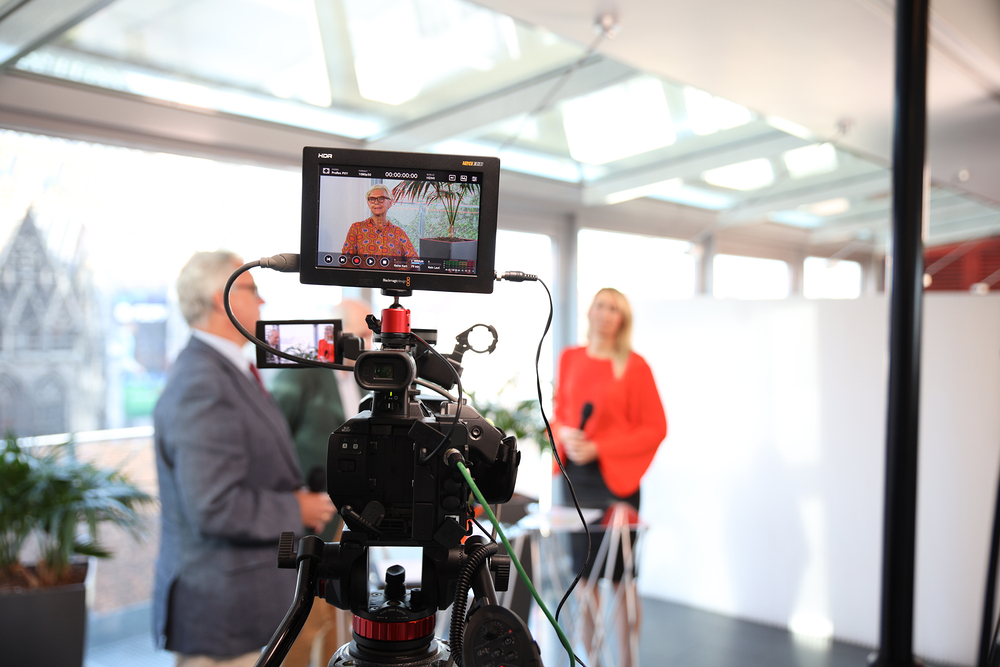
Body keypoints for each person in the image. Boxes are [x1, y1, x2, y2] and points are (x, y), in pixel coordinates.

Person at [153, 250, 335, 667]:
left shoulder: (228, 370)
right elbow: (214, 505)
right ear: (221, 300)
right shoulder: (202, 382)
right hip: (224, 617)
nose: (263, 301)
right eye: (253, 290)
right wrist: (297, 509)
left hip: (245, 604)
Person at [552, 287, 667, 667]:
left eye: (613, 309)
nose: (604, 314)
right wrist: (565, 434)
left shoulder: (635, 366)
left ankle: (628, 662)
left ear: (622, 319)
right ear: (590, 311)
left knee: (622, 579)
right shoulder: (570, 358)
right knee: (583, 578)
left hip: (617, 481)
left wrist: (600, 447)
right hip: (576, 481)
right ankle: (594, 660)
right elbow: (561, 412)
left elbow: (655, 428)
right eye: (600, 305)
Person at [269, 298, 373, 667]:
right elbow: (271, 435)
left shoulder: (361, 380)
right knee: (301, 625)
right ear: (335, 335)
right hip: (305, 522)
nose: (367, 346)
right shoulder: (303, 372)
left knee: (335, 621)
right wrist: (294, 497)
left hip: (344, 521)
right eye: (360, 336)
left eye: (370, 337)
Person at [341, 184, 418, 258]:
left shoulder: (399, 233)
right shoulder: (356, 228)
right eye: (372, 199)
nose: (376, 202)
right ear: (368, 204)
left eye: (381, 198)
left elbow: (414, 260)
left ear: (390, 203)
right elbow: (345, 259)